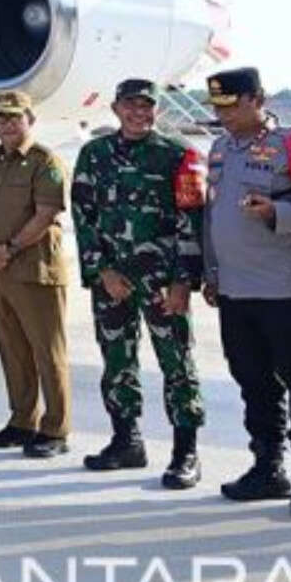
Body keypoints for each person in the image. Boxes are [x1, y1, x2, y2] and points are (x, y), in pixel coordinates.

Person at [201, 66, 291, 517]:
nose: (222, 115)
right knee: (254, 384)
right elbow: (213, 214)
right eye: (217, 107)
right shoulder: (220, 148)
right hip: (235, 291)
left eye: (230, 105)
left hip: (284, 289)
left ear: (256, 100)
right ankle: (269, 467)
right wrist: (211, 270)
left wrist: (278, 212)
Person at [69, 79, 207, 487]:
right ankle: (126, 440)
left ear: (156, 110)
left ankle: (186, 453)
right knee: (117, 360)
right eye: (130, 106)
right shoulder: (94, 155)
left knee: (177, 362)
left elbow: (191, 220)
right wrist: (101, 271)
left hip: (162, 282)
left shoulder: (178, 154)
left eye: (146, 106)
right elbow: (83, 215)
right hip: (112, 281)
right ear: (115, 109)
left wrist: (185, 281)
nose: (139, 113)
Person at [0, 92, 72, 459]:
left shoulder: (45, 161)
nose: (7, 125)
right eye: (0, 119)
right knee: (11, 349)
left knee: (47, 351)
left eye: (15, 118)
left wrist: (8, 248)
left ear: (30, 119)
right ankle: (23, 420)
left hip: (33, 270)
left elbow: (45, 214)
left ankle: (55, 428)